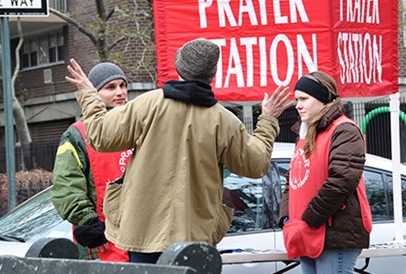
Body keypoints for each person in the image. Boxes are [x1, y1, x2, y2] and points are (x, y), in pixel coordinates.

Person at [65, 38, 294, 264]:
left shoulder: (147, 104)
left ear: (179, 67)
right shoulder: (225, 121)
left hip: (142, 232)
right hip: (195, 235)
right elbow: (256, 164)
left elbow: (99, 136)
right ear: (211, 75)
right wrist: (268, 120)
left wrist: (88, 93)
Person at [278, 71, 372, 274]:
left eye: (304, 99)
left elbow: (341, 181)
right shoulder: (307, 131)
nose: (298, 105)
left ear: (322, 99)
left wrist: (306, 219)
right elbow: (292, 178)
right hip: (308, 230)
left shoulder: (344, 130)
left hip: (332, 232)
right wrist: (287, 218)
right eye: (296, 99)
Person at [52, 62, 132, 262]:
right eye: (111, 87)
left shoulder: (137, 126)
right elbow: (66, 185)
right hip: (101, 241)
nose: (120, 92)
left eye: (123, 85)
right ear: (95, 93)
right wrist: (88, 222)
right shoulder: (77, 134)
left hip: (140, 238)